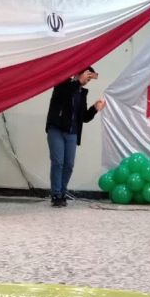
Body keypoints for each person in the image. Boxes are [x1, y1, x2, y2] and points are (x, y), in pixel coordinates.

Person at [45, 67, 105, 207]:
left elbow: (83, 117)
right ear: (78, 74)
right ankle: (56, 194)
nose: (87, 81)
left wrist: (95, 108)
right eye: (87, 77)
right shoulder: (62, 84)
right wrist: (77, 82)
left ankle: (62, 192)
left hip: (72, 132)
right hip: (56, 129)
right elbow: (63, 94)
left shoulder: (82, 93)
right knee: (58, 162)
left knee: (69, 165)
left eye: (89, 79)